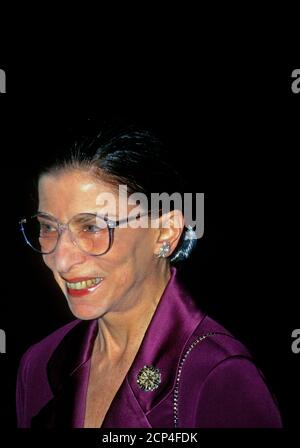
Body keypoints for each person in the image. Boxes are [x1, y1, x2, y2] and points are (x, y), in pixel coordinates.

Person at [16, 124, 282, 428]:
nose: (61, 260)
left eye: (91, 228)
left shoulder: (218, 376)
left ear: (164, 231)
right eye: (48, 227)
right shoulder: (39, 364)